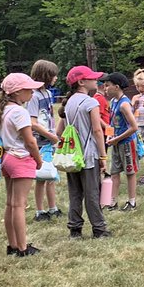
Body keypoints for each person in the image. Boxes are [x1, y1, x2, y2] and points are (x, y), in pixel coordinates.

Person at [0, 72, 44, 258]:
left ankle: (13, 244)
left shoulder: (4, 109)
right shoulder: (20, 112)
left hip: (7, 158)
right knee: (19, 205)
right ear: (16, 92)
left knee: (11, 204)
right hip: (21, 158)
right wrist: (38, 160)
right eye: (28, 89)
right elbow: (30, 141)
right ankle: (23, 248)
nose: (32, 92)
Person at [60, 65, 112, 238]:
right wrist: (103, 156)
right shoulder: (91, 102)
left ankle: (75, 229)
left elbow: (60, 130)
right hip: (89, 155)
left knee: (75, 193)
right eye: (92, 78)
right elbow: (97, 131)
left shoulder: (68, 103)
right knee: (92, 194)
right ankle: (99, 229)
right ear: (82, 82)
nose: (96, 80)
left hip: (73, 155)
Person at [27, 59, 62, 223]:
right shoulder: (33, 96)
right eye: (53, 75)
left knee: (51, 175)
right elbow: (33, 123)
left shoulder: (48, 93)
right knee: (41, 177)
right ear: (45, 75)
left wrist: (53, 135)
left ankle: (53, 208)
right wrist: (50, 136)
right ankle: (40, 211)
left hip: (49, 140)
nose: (56, 78)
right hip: (40, 142)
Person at [101, 73, 138, 211]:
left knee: (130, 172)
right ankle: (112, 202)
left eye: (107, 85)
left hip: (126, 143)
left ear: (116, 87)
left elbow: (134, 127)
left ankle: (132, 202)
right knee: (114, 172)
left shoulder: (124, 104)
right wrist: (109, 136)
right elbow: (111, 123)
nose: (105, 88)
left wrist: (117, 139)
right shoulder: (113, 102)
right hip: (116, 143)